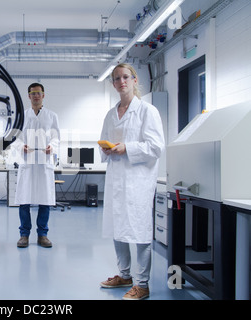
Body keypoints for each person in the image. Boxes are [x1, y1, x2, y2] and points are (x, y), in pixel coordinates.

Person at [98, 63, 165, 300]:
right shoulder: (110, 114)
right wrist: (106, 149)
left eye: (126, 77)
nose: (121, 81)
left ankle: (143, 284)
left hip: (138, 181)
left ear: (134, 80)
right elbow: (104, 143)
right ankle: (124, 275)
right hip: (117, 178)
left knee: (139, 230)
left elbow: (156, 147)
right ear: (113, 83)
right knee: (119, 228)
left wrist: (128, 148)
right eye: (116, 78)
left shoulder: (148, 111)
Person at [15, 83, 60, 248]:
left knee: (44, 200)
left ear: (43, 95)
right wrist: (21, 146)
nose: (36, 96)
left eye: (39, 93)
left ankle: (43, 235)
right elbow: (15, 137)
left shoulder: (52, 116)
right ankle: (24, 235)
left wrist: (52, 147)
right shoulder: (22, 115)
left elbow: (56, 137)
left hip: (43, 163)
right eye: (33, 93)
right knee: (24, 200)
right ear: (28, 96)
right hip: (27, 162)